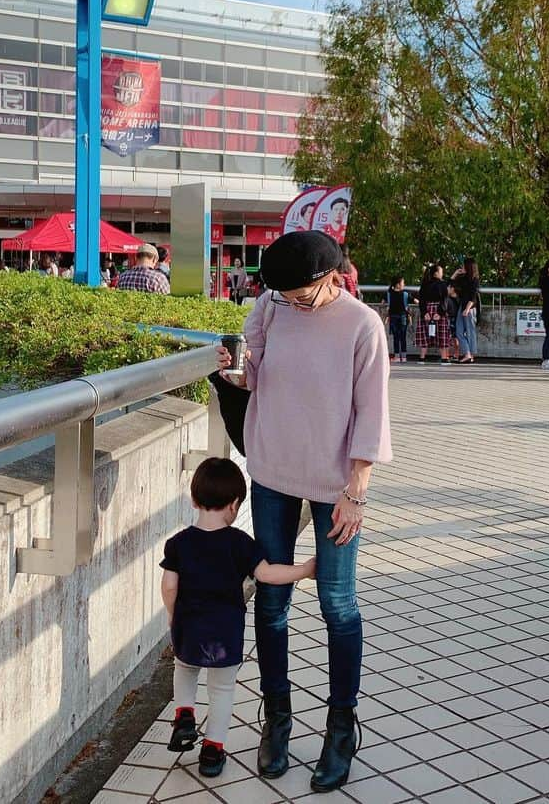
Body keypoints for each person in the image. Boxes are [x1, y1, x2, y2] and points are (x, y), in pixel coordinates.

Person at [216, 230, 391, 792]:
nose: (291, 302)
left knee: (338, 604)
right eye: (283, 295)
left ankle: (340, 728)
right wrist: (236, 374)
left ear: (330, 276)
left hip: (335, 482)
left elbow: (372, 410)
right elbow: (257, 379)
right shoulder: (272, 307)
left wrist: (357, 489)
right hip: (271, 471)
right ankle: (278, 719)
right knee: (270, 599)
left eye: (301, 294)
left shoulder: (363, 325)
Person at [161, 458, 315, 778]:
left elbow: (169, 585)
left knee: (184, 669)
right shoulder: (240, 544)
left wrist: (173, 618)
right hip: (225, 633)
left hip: (188, 626)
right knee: (221, 690)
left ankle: (185, 714)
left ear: (193, 500)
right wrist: (304, 570)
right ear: (234, 505)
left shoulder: (178, 544)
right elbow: (268, 574)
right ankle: (212, 752)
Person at [414, 264, 452, 365]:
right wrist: (440, 312)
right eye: (441, 271)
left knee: (424, 333)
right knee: (442, 333)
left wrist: (424, 312)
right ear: (436, 273)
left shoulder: (424, 284)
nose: (442, 273)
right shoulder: (443, 284)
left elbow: (421, 299)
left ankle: (422, 358)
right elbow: (444, 299)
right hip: (438, 310)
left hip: (426, 309)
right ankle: (444, 358)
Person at [451, 258, 481, 364]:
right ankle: (467, 354)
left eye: (464, 266)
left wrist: (467, 309)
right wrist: (456, 273)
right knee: (459, 331)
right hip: (462, 307)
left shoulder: (475, 280)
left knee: (470, 332)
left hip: (470, 308)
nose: (462, 267)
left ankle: (470, 355)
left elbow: (473, 296)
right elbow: (450, 284)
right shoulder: (462, 278)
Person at [386, 277, 410, 362]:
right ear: (398, 284)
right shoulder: (405, 294)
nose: (404, 284)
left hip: (394, 317)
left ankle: (397, 356)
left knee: (396, 337)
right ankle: (403, 356)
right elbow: (413, 300)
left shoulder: (390, 294)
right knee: (402, 337)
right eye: (403, 283)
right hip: (402, 317)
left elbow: (384, 302)